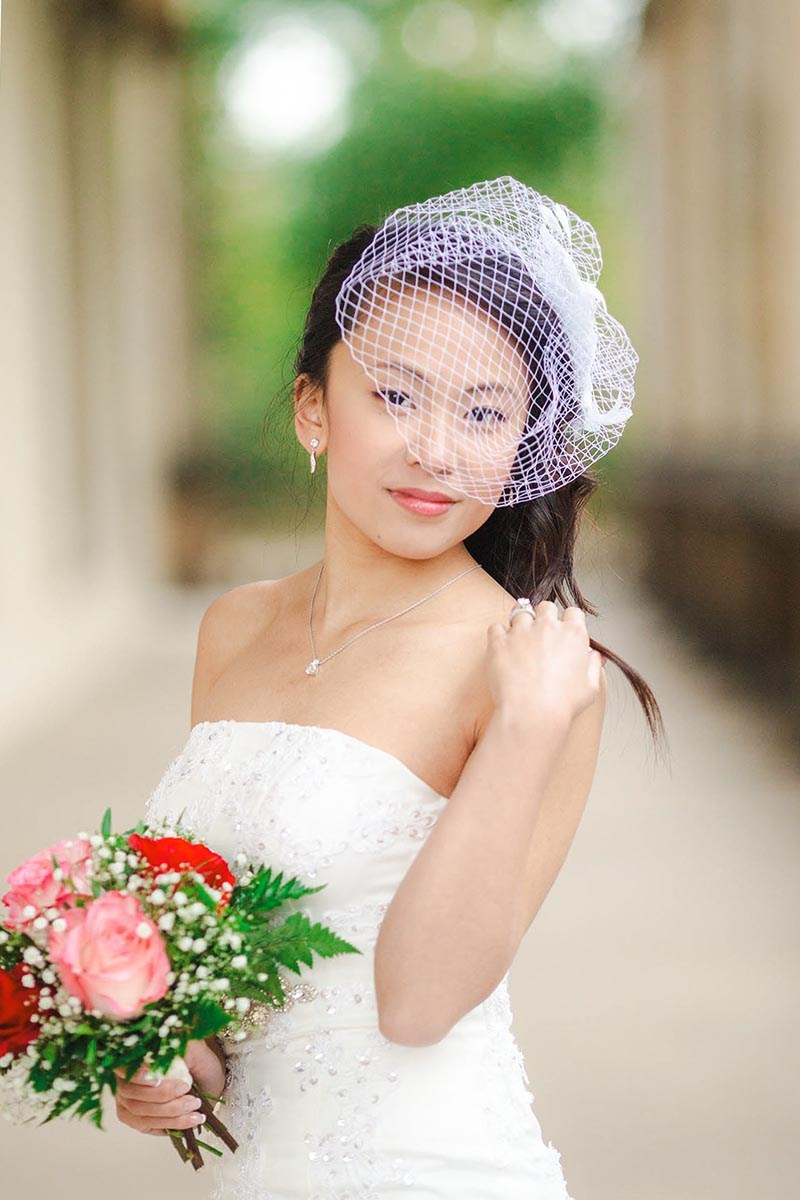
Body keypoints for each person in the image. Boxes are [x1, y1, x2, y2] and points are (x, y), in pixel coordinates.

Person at [113, 177, 664, 1197]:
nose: (436, 450)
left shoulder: (534, 669)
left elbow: (415, 1004)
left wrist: (523, 730)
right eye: (397, 394)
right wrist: (163, 1064)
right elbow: (240, 998)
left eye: (484, 411)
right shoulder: (232, 627)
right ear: (313, 410)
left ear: (523, 444)